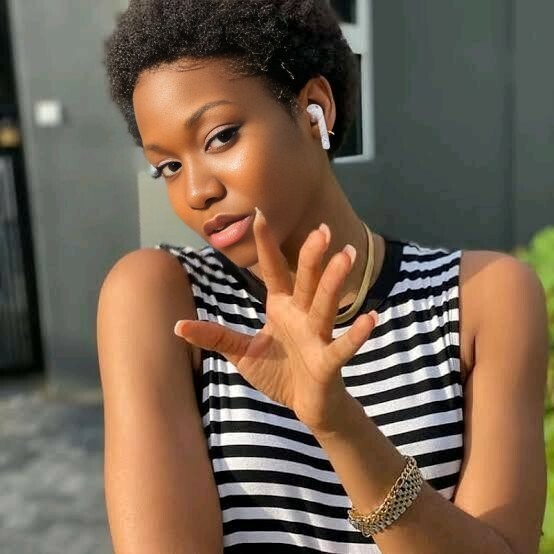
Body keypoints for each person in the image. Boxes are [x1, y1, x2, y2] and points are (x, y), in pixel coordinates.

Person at [97, 1, 548, 552]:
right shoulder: (167, 303)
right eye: (168, 166)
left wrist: (338, 422)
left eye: (220, 137)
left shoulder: (481, 299)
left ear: (315, 109)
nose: (196, 191)